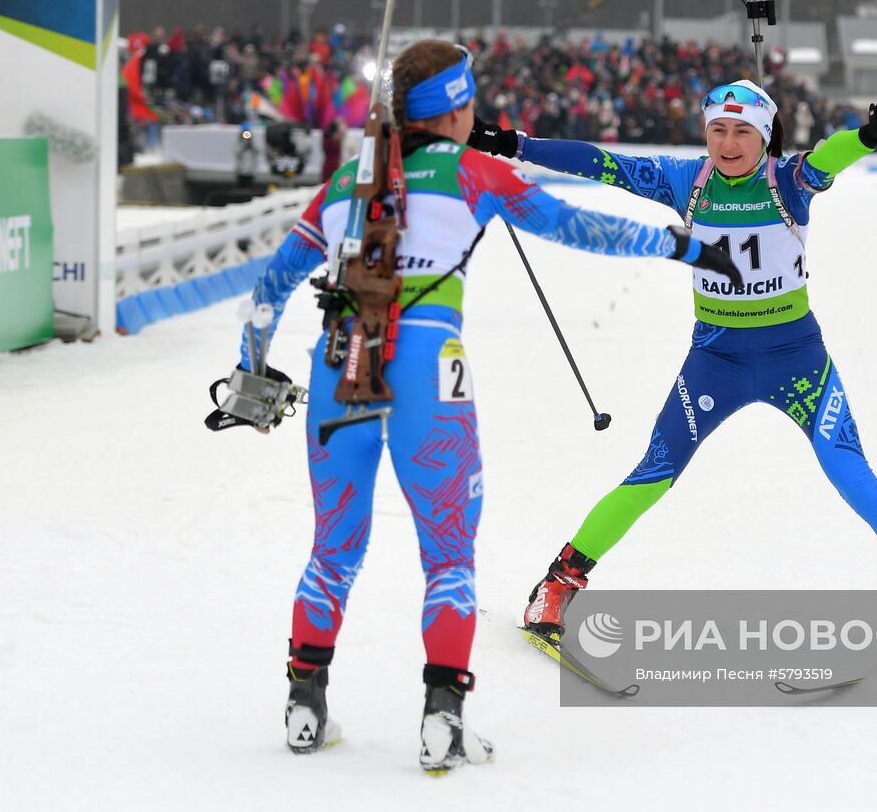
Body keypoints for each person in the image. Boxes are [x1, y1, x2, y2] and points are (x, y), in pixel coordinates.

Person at [216, 40, 740, 773]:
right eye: (469, 105)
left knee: (333, 549)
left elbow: (266, 290)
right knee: (448, 556)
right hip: (429, 368)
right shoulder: (475, 172)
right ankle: (443, 721)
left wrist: (250, 376)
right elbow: (577, 226)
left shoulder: (345, 180)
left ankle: (304, 707)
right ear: (456, 110)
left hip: (340, 362)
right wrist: (678, 246)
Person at [467, 80, 877, 655]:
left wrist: (869, 136)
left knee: (854, 478)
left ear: (764, 137)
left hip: (797, 361)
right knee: (652, 475)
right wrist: (513, 143)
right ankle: (558, 584)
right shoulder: (685, 181)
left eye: (743, 132)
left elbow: (830, 156)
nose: (729, 143)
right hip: (716, 360)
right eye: (718, 130)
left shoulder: (788, 180)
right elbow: (602, 162)